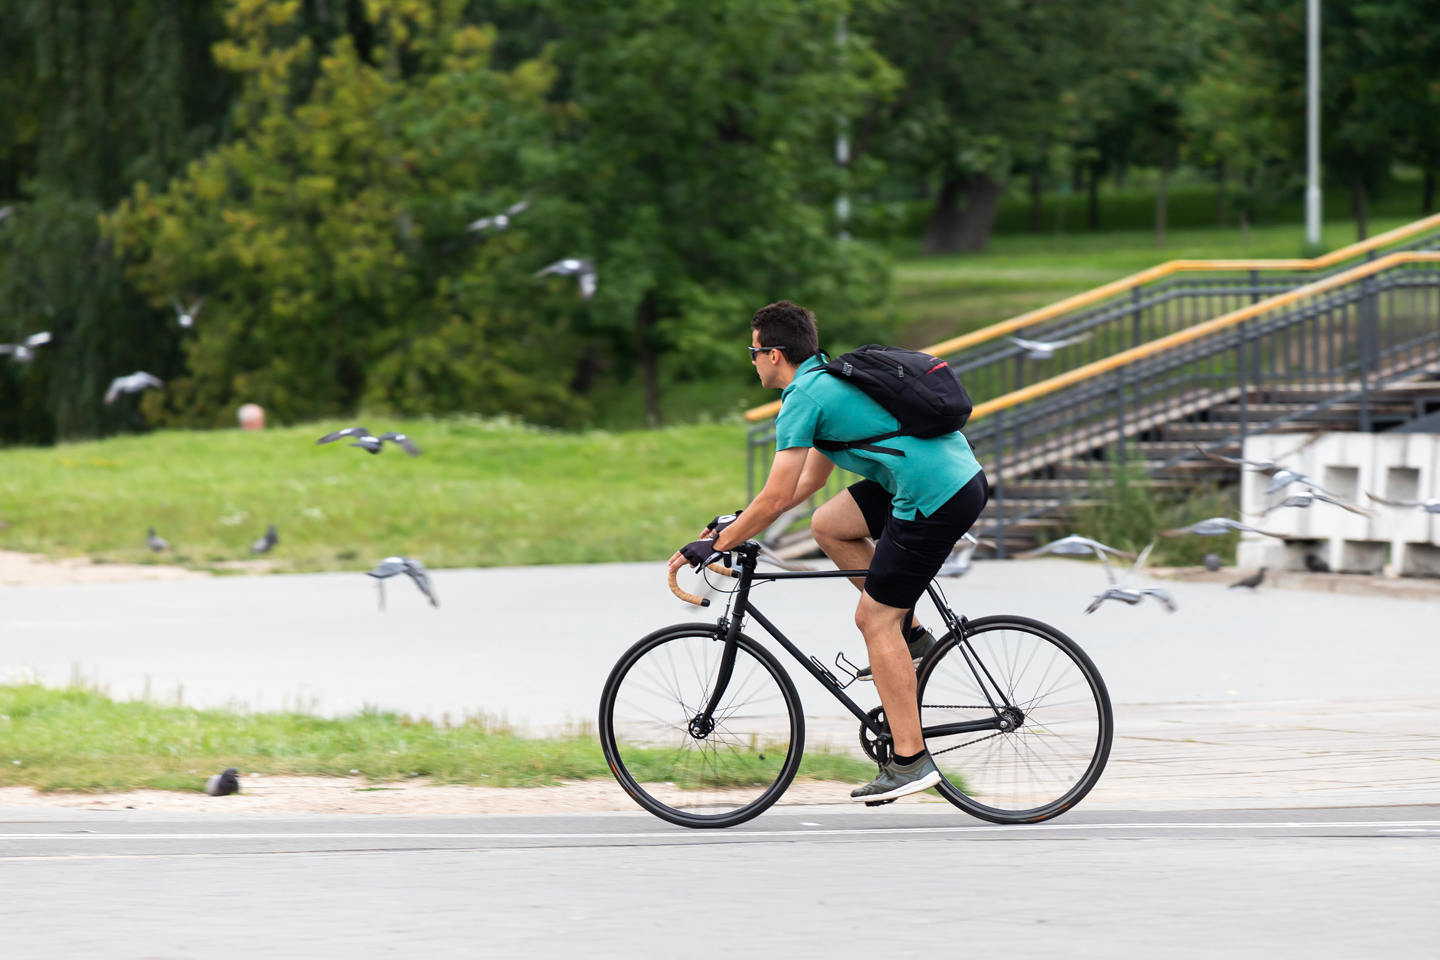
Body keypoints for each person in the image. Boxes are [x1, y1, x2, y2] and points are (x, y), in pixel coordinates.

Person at [667, 300, 988, 802]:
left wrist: (713, 546)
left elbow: (774, 499)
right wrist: (734, 521)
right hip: (941, 478)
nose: (751, 360)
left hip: (934, 494)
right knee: (829, 525)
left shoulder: (804, 399)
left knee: (873, 620)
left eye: (752, 352)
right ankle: (915, 638)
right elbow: (801, 488)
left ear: (774, 354)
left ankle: (910, 759)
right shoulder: (824, 382)